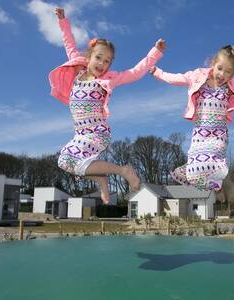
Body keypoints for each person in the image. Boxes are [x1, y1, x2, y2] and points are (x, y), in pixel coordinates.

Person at [49, 8, 166, 203]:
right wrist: (63, 21)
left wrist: (155, 52)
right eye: (98, 58)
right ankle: (102, 180)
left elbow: (136, 72)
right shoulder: (77, 69)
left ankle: (123, 170)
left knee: (76, 162)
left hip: (97, 131)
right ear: (89, 57)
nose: (102, 64)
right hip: (80, 133)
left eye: (107, 61)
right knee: (65, 161)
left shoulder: (109, 79)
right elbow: (69, 43)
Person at [151, 45, 234, 191]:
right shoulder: (197, 77)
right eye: (220, 68)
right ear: (213, 64)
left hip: (218, 135)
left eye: (228, 72)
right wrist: (157, 72)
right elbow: (175, 78)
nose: (222, 74)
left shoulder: (232, 85)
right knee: (192, 170)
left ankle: (219, 182)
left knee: (212, 163)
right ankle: (210, 184)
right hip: (200, 133)